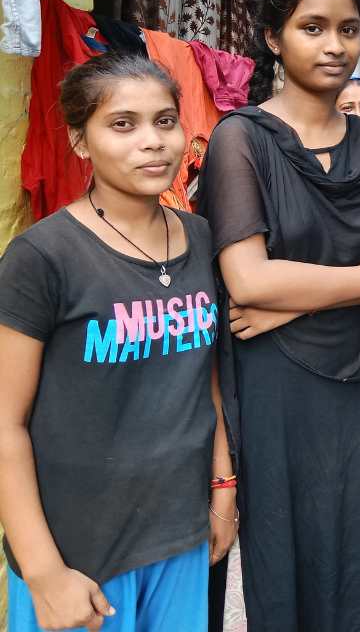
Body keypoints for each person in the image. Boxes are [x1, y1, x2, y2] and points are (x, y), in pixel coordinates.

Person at [196, 0, 360, 630]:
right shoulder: (240, 140)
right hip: (277, 393)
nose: (334, 45)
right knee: (284, 556)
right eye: (313, 27)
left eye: (348, 29)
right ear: (274, 36)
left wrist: (290, 301)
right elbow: (247, 280)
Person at [0, 52, 235, 632]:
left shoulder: (201, 237)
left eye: (164, 121)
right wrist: (43, 571)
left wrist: (223, 486)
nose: (152, 142)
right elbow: (5, 423)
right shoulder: (42, 257)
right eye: (122, 124)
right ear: (80, 141)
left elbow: (204, 377)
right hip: (78, 558)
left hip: (179, 536)